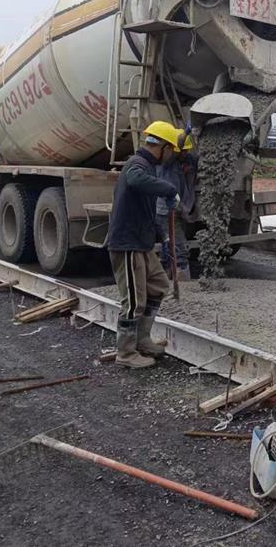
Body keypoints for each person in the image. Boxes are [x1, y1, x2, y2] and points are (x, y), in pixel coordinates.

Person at [107, 121, 181, 369]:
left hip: (142, 242)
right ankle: (126, 353)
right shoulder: (137, 164)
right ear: (164, 147)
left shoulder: (148, 167)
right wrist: (169, 189)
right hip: (127, 243)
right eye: (171, 151)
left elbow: (146, 209)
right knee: (133, 301)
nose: (171, 157)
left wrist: (162, 236)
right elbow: (134, 179)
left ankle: (142, 340)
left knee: (158, 285)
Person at [156, 130, 198, 282]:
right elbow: (177, 148)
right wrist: (185, 134)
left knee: (169, 244)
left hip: (179, 209)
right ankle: (182, 279)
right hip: (166, 211)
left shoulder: (186, 161)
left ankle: (165, 277)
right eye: (182, 150)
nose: (185, 153)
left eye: (187, 150)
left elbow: (199, 158)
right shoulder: (166, 163)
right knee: (178, 246)